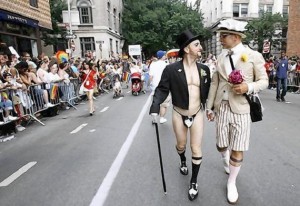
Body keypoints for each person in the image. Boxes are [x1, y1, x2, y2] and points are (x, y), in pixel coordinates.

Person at [206, 19, 268, 204]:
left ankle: (231, 182)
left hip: (242, 109)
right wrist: (210, 107)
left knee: (238, 148)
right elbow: (215, 83)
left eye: (223, 36)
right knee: (220, 145)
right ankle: (224, 157)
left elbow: (264, 81)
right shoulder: (221, 57)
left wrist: (247, 86)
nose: (220, 39)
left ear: (235, 37)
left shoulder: (253, 56)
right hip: (222, 107)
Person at [150, 30, 211, 201]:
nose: (201, 48)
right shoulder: (171, 70)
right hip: (179, 113)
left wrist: (212, 107)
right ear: (186, 49)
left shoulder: (204, 69)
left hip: (197, 113)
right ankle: (182, 160)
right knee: (181, 145)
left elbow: (209, 90)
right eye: (197, 44)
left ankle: (193, 182)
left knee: (196, 147)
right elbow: (162, 90)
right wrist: (155, 107)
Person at [149, 50, 170, 124]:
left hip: (155, 86)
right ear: (162, 56)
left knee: (156, 102)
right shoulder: (166, 64)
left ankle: (154, 118)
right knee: (164, 104)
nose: (165, 56)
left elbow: (151, 76)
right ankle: (161, 118)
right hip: (164, 86)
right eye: (164, 55)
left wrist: (150, 84)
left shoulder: (153, 64)